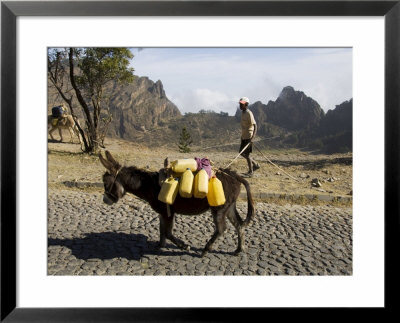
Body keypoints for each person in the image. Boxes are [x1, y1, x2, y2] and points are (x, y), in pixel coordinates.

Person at [239, 97, 260, 177]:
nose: (240, 105)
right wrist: (241, 136)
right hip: (244, 136)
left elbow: (255, 125)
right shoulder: (243, 113)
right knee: (241, 153)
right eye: (240, 104)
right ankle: (255, 164)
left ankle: (251, 172)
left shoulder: (249, 113)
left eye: (242, 104)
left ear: (246, 105)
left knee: (246, 154)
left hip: (249, 136)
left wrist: (253, 137)